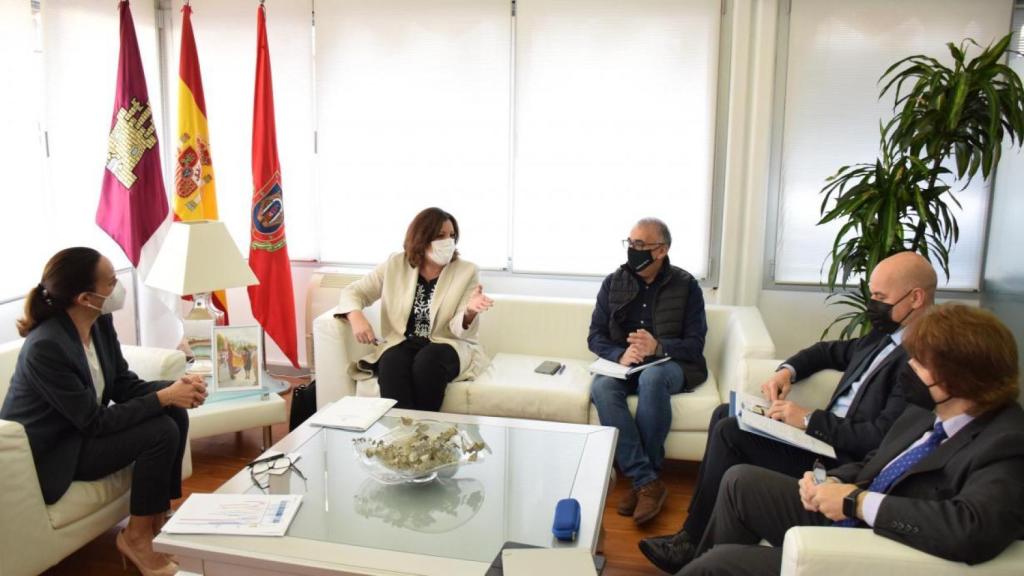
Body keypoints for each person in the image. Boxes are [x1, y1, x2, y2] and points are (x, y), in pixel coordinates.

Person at [640, 251, 936, 572]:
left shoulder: (921, 363)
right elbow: (826, 352)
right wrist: (787, 371)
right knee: (725, 413)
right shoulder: (883, 336)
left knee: (730, 431)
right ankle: (692, 535)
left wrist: (807, 419)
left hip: (839, 458)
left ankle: (691, 541)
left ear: (916, 298)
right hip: (818, 439)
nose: (872, 304)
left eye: (880, 297)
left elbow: (876, 438)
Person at [678, 303, 1024, 575]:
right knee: (740, 481)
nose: (910, 369)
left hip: (878, 545)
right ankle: (696, 551)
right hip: (848, 510)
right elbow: (877, 458)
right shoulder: (927, 411)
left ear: (956, 379)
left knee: (719, 564)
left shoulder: (1006, 442)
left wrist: (856, 502)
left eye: (919, 364)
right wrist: (832, 480)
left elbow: (970, 529)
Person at [0, 248, 208, 576]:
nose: (119, 288)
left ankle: (157, 520)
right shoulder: (46, 347)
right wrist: (165, 396)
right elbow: (92, 422)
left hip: (82, 435)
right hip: (55, 453)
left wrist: (176, 389)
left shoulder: (99, 322)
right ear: (86, 297)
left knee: (173, 414)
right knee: (160, 430)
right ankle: (135, 538)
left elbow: (122, 384)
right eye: (112, 283)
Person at [588, 217, 708, 525]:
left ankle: (643, 483)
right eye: (630, 243)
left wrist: (658, 347)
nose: (633, 250)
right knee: (601, 388)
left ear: (661, 250)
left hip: (671, 364)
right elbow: (595, 336)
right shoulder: (614, 282)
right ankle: (647, 482)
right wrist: (620, 354)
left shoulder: (687, 286)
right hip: (626, 365)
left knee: (653, 378)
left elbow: (695, 345)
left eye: (640, 245)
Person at [337, 207, 494, 411]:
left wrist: (470, 312)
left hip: (447, 344)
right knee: (391, 362)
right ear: (422, 238)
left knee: (427, 361)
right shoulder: (395, 264)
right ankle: (403, 435)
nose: (449, 241)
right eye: (440, 235)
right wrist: (356, 317)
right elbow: (354, 292)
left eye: (452, 235)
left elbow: (458, 330)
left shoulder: (466, 271)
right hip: (404, 342)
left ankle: (427, 431)